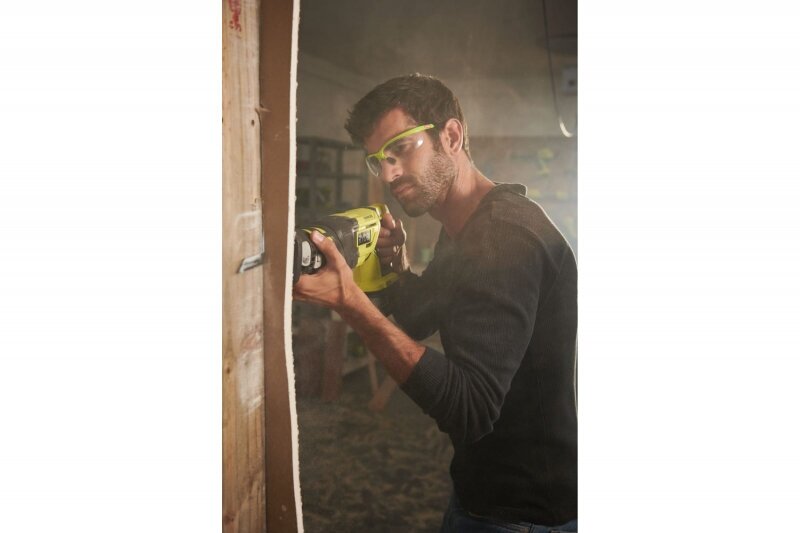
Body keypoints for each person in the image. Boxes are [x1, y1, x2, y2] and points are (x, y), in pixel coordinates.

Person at [293, 74, 577, 532]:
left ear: (451, 136)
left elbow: (470, 408)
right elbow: (420, 318)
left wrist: (351, 303)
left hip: (524, 513)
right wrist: (394, 268)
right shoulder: (466, 226)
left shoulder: (504, 237)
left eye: (401, 149)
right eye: (378, 161)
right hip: (483, 493)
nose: (388, 174)